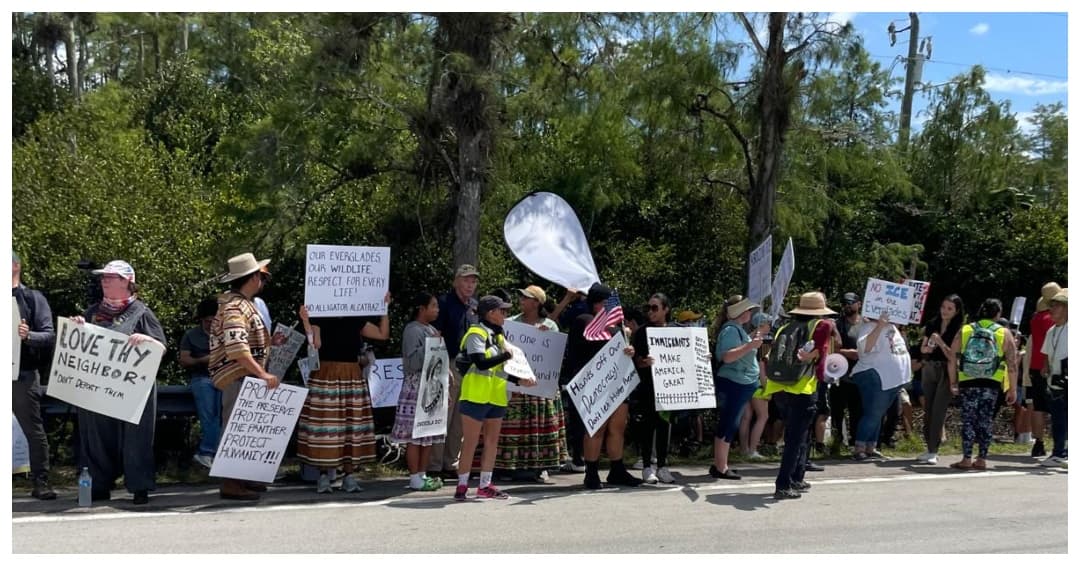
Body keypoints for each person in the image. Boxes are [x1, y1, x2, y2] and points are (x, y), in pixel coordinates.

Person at [72, 260, 166, 505]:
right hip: (98, 387)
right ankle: (99, 485)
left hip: (133, 388)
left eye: (111, 277)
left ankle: (139, 487)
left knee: (136, 437)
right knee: (97, 435)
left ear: (127, 283)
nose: (104, 281)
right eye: (103, 277)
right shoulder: (92, 312)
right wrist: (77, 328)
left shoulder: (141, 312)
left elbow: (161, 347)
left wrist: (145, 340)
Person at [297, 292, 391, 494]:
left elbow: (382, 334)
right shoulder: (321, 314)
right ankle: (323, 476)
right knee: (326, 425)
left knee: (352, 425)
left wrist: (384, 309)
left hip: (351, 373)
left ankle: (349, 476)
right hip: (326, 373)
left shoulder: (356, 317)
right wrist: (306, 321)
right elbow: (315, 345)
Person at [453, 295, 537, 501]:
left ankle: (485, 485)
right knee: (471, 442)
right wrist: (506, 356)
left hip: (496, 396)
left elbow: (503, 370)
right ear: (491, 313)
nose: (506, 315)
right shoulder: (476, 333)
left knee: (492, 442)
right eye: (503, 311)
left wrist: (520, 381)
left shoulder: (500, 337)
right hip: (475, 395)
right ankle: (462, 485)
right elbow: (480, 363)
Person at [210, 252, 279, 501]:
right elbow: (236, 347)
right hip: (239, 377)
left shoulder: (240, 304)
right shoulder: (235, 307)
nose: (263, 281)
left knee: (245, 430)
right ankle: (230, 483)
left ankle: (242, 478)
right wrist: (262, 373)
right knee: (235, 429)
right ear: (252, 279)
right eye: (262, 276)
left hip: (244, 377)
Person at [564, 284, 641, 489]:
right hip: (593, 384)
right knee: (596, 429)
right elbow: (595, 338)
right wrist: (618, 331)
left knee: (617, 428)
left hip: (616, 382)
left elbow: (619, 347)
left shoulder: (616, 328)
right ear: (597, 304)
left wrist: (629, 348)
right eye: (608, 304)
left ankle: (617, 469)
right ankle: (591, 472)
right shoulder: (584, 321)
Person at [763, 292, 834, 500]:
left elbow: (770, 355)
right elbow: (817, 352)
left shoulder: (785, 328)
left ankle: (796, 477)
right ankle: (783, 484)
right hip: (803, 388)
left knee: (799, 436)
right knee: (796, 439)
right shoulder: (821, 326)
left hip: (780, 388)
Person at [497, 285, 566, 482]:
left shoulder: (550, 326)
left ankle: (539, 466)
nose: (521, 300)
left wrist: (547, 336)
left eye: (526, 297)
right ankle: (510, 466)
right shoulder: (511, 323)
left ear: (536, 302)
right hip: (518, 386)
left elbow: (555, 355)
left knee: (539, 426)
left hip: (539, 388)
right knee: (514, 426)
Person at [948, 299, 1019, 470]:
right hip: (991, 382)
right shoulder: (1004, 333)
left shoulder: (966, 329)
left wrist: (953, 381)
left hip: (968, 380)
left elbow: (952, 357)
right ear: (998, 314)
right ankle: (981, 458)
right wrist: (1012, 388)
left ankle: (966, 458)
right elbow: (1012, 363)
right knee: (985, 420)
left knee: (968, 420)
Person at [428, 264, 480, 480]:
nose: (470, 284)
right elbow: (435, 334)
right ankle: (434, 464)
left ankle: (451, 462)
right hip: (447, 362)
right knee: (443, 414)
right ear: (456, 281)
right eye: (466, 280)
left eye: (473, 281)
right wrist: (439, 366)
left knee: (461, 417)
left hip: (470, 366)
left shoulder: (475, 306)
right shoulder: (443, 303)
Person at [12, 252, 57, 500]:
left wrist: (28, 335)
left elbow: (49, 335)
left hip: (22, 374)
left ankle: (41, 481)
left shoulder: (31, 298)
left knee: (32, 429)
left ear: (16, 266)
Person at [390, 292, 446, 490]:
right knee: (414, 435)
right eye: (433, 306)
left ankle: (423, 474)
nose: (437, 310)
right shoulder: (413, 330)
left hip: (431, 386)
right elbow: (413, 361)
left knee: (427, 433)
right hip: (416, 387)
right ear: (421, 309)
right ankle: (414, 476)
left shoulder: (430, 329)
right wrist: (433, 343)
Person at [710, 297, 768, 480]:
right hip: (734, 383)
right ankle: (721, 467)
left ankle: (720, 464)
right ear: (740, 312)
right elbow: (727, 356)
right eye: (748, 310)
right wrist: (751, 345)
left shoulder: (736, 329)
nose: (750, 313)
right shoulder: (730, 330)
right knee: (729, 423)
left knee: (731, 422)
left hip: (740, 383)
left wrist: (750, 340)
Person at [849, 311, 912, 461]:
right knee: (873, 413)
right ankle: (859, 448)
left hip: (891, 378)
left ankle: (871, 447)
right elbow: (865, 349)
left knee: (878, 413)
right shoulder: (869, 326)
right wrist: (880, 326)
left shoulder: (892, 326)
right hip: (875, 374)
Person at [631, 293, 676, 484]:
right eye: (648, 308)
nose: (650, 312)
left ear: (666, 309)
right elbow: (635, 362)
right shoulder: (642, 332)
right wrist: (644, 362)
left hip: (670, 388)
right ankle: (647, 466)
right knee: (647, 427)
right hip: (648, 388)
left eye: (655, 308)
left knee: (665, 426)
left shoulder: (676, 331)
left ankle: (663, 466)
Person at [916, 295, 964, 464]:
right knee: (928, 408)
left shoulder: (959, 330)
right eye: (944, 307)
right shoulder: (932, 324)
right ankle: (929, 447)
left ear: (956, 311)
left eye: (950, 308)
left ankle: (934, 450)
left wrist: (941, 342)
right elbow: (923, 347)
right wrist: (928, 347)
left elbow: (952, 356)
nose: (945, 311)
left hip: (946, 370)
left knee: (938, 410)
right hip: (930, 368)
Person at [180, 297, 221, 470]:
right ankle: (207, 451)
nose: (209, 325)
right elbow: (184, 359)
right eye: (206, 321)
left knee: (221, 415)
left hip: (223, 376)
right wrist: (202, 360)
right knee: (208, 415)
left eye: (213, 321)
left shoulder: (225, 333)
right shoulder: (191, 335)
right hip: (202, 377)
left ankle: (208, 452)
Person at [1025, 282, 1060, 458]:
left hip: (1035, 366)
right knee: (1057, 407)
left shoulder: (1035, 319)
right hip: (1050, 367)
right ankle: (1060, 445)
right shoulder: (1053, 320)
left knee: (1038, 407)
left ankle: (1038, 444)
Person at [830, 292, 863, 449]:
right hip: (840, 375)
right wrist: (847, 352)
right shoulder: (837, 324)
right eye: (844, 303)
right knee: (837, 410)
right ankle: (837, 442)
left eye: (850, 302)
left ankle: (855, 441)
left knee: (857, 410)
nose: (847, 306)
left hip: (860, 374)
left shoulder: (867, 324)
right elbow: (831, 348)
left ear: (859, 304)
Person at [1039, 291, 1068, 467]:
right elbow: (1046, 353)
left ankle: (1062, 452)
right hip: (1055, 380)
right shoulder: (1051, 330)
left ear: (1066, 309)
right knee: (1058, 418)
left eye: (1056, 305)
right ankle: (1059, 452)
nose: (1052, 309)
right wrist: (1045, 365)